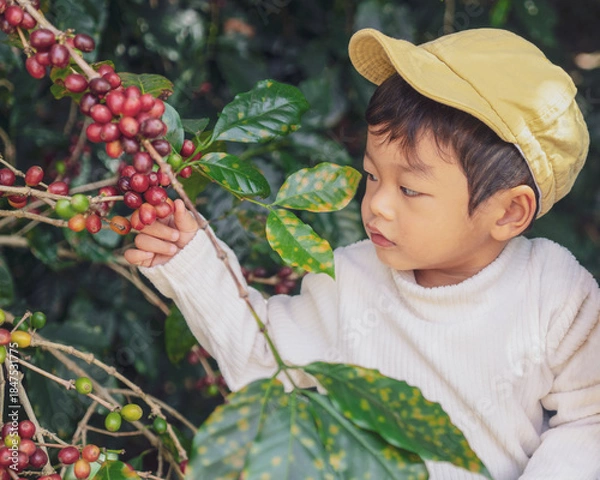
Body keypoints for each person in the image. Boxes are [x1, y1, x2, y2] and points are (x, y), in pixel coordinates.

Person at [124, 28, 600, 480]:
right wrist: (190, 257)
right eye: (372, 175)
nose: (376, 204)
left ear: (509, 212)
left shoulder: (554, 294)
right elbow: (263, 357)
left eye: (410, 189)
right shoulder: (352, 279)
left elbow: (589, 421)